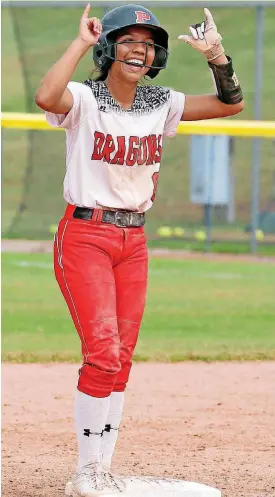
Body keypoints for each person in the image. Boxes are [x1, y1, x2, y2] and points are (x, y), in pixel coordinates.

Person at [35, 3, 243, 496]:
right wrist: (80, 42)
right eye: (128, 40)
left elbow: (229, 103)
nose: (139, 49)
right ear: (109, 47)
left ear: (156, 57)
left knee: (121, 357)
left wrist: (217, 56)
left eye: (147, 44)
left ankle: (103, 472)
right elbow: (47, 95)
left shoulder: (160, 101)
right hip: (87, 234)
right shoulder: (85, 98)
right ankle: (86, 473)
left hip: (134, 240)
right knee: (103, 353)